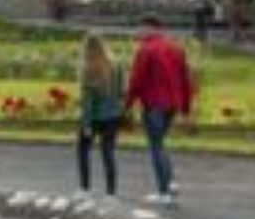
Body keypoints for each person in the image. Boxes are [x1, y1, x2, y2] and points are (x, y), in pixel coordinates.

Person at [125, 14, 194, 206]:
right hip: (172, 104)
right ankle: (169, 182)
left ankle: (165, 189)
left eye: (141, 28)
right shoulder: (176, 48)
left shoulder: (146, 50)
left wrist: (128, 104)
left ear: (149, 28)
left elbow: (137, 80)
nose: (138, 32)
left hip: (154, 103)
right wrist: (185, 108)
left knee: (156, 145)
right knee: (160, 143)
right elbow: (185, 79)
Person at [76, 32, 124, 196]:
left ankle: (85, 188)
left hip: (96, 116)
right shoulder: (116, 65)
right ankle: (111, 192)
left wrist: (86, 124)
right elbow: (121, 92)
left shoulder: (88, 68)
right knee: (108, 153)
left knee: (82, 151)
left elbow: (88, 101)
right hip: (113, 115)